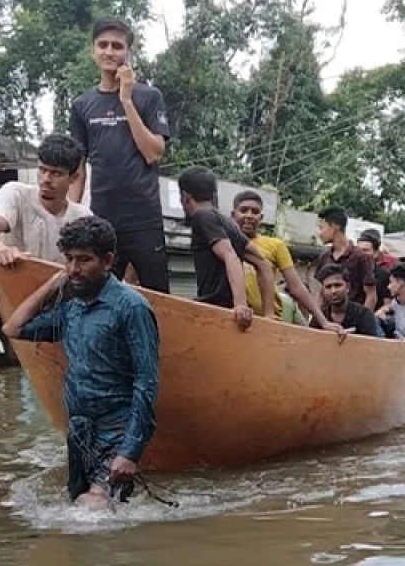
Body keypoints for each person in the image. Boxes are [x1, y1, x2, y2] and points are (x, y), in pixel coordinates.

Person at [2, 216, 159, 510]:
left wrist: (130, 451)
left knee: (94, 507)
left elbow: (146, 381)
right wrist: (53, 282)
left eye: (84, 260)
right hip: (80, 429)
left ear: (108, 260)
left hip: (118, 429)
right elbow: (13, 328)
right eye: (69, 259)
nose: (74, 269)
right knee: (78, 502)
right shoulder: (72, 308)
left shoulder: (131, 307)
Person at [69, 17, 172, 293]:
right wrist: (69, 216)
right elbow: (78, 170)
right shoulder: (82, 105)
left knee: (158, 297)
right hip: (101, 219)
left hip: (143, 218)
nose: (109, 52)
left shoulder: (149, 97)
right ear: (93, 50)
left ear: (127, 52)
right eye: (103, 45)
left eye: (117, 46)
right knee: (97, 297)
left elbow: (153, 153)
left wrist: (126, 99)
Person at [0, 135, 92, 335]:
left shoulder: (82, 217)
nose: (46, 179)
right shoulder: (15, 193)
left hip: (48, 301)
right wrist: (0, 250)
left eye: (56, 174)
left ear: (73, 177)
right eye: (42, 170)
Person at [231, 191, 344, 336]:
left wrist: (324, 322)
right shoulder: (225, 244)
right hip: (236, 321)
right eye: (243, 210)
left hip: (269, 323)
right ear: (233, 214)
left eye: (255, 212)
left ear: (261, 217)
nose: (249, 215)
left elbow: (296, 287)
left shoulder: (275, 245)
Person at [177, 167, 276, 331]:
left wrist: (241, 305)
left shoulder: (202, 217)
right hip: (226, 309)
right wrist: (269, 314)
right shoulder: (227, 222)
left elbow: (229, 255)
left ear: (184, 197)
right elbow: (263, 264)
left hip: (215, 309)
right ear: (214, 195)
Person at [314, 207, 377, 311]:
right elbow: (320, 293)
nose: (319, 233)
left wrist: (363, 322)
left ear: (334, 227)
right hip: (329, 321)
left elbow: (371, 296)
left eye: (322, 228)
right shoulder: (324, 257)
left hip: (353, 319)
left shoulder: (361, 257)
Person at [318, 264, 383, 338]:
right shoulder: (320, 316)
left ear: (348, 287)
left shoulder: (364, 315)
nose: (333, 291)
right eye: (328, 287)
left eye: (338, 285)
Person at [356, 229, 396, 309]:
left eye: (365, 250)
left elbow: (388, 305)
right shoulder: (350, 273)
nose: (361, 254)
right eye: (358, 250)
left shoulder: (384, 275)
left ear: (375, 253)